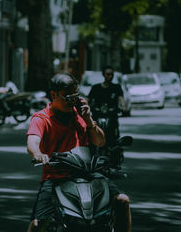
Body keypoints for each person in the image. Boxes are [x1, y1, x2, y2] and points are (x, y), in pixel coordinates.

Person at [26, 73, 131, 232]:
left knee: (122, 201)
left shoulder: (80, 115)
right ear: (54, 94)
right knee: (38, 224)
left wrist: (89, 120)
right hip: (56, 177)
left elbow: (100, 141)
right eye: (67, 96)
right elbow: (32, 142)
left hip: (88, 174)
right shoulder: (41, 118)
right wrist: (38, 154)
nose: (72, 100)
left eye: (75, 95)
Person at [87, 65, 128, 142]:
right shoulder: (96, 88)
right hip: (97, 114)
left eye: (112, 74)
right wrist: (84, 107)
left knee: (115, 133)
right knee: (90, 132)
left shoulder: (116, 87)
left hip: (111, 115)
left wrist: (124, 107)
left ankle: (115, 148)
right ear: (103, 74)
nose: (110, 76)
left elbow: (121, 98)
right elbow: (88, 99)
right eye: (108, 74)